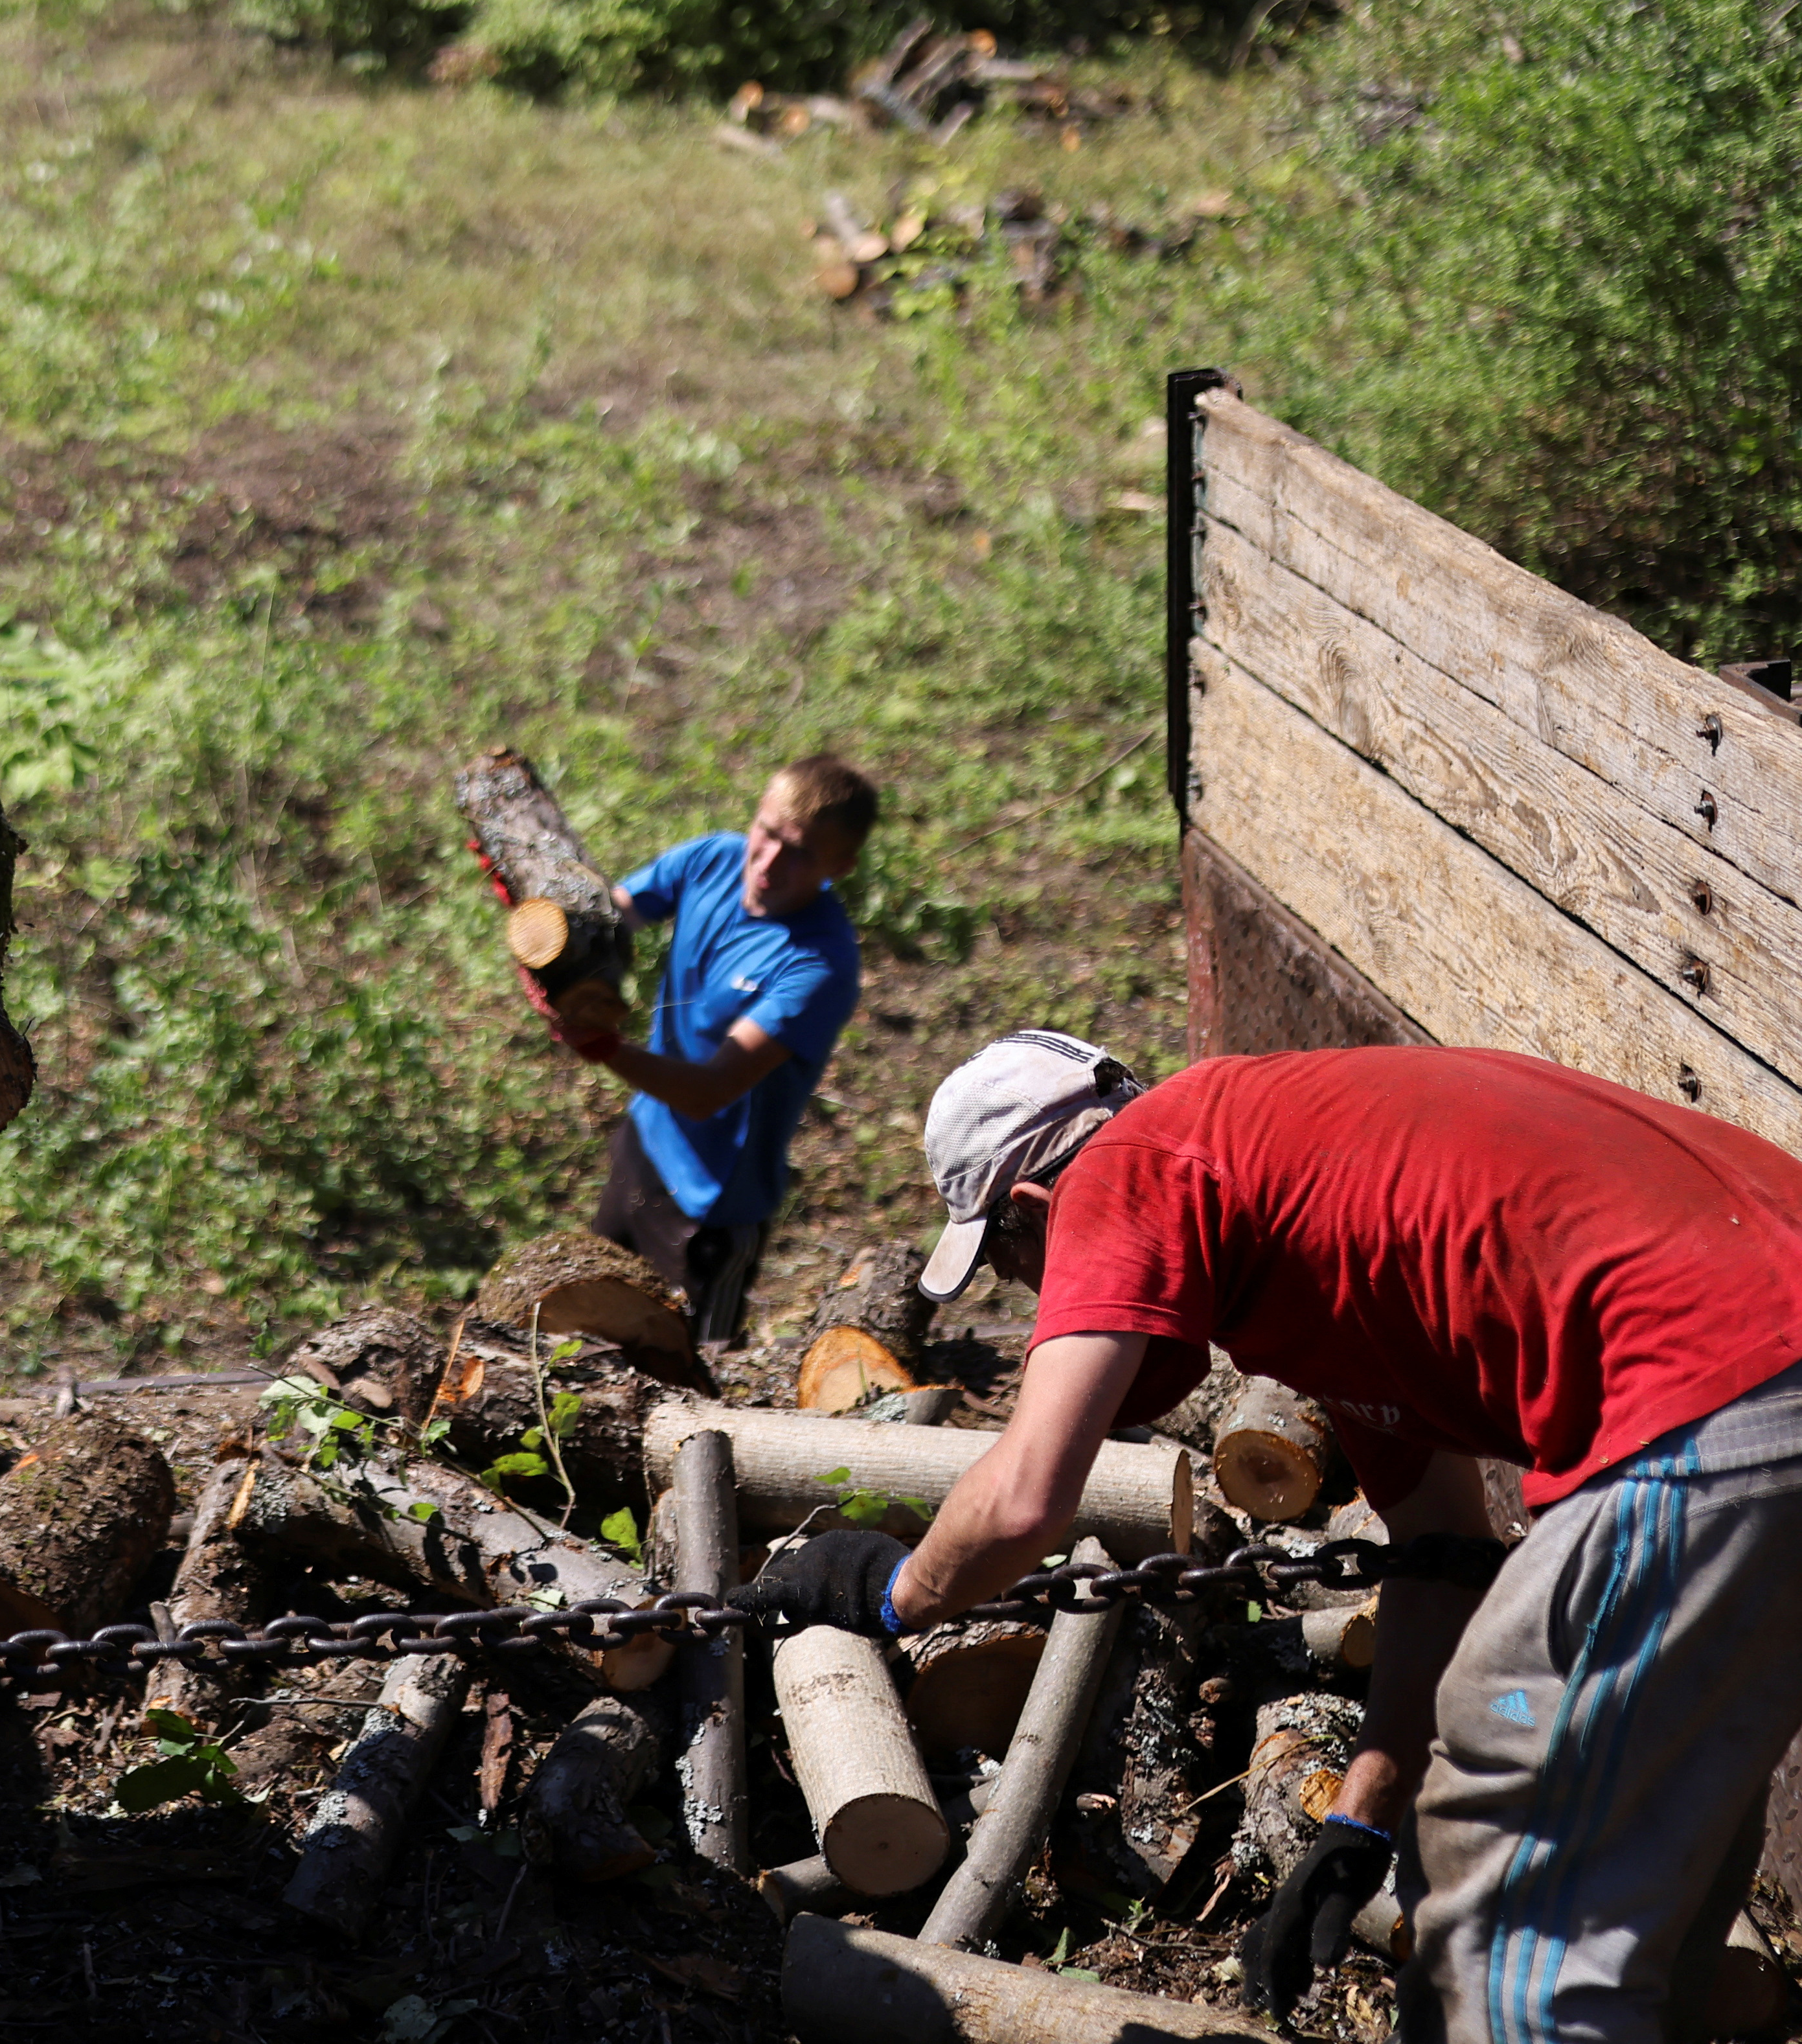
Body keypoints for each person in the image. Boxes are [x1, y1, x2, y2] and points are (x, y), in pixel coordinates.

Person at [729, 1031, 1802, 2043]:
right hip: (1761, 1380)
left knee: (1511, 1843)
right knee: (1663, 1836)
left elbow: (1023, 1496)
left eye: (1012, 1262)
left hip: (1719, 1389)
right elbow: (1443, 1553)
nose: (1027, 1291)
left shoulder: (1132, 1163)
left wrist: (893, 1590)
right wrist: (1363, 1823)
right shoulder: (1297, 1213)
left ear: (1031, 1201)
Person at [532, 755, 872, 1348]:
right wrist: (555, 951)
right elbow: (612, 919)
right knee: (583, 1333)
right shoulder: (712, 859)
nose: (767, 863)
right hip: (643, 1144)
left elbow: (707, 1093)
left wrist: (602, 1046)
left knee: (688, 1374)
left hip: (710, 1210)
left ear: (840, 867)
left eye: (800, 853)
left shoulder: (818, 965)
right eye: (766, 834)